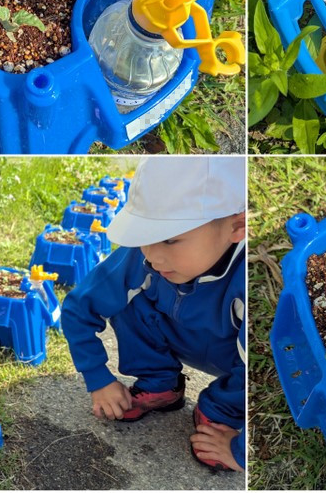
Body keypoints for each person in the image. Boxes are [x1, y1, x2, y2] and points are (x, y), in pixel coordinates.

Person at [61, 156, 247, 471]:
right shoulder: (143, 258)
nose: (154, 256)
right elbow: (78, 307)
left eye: (171, 239)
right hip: (177, 332)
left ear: (237, 226)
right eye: (145, 236)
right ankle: (160, 383)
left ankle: (222, 410)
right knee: (127, 296)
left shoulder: (246, 278)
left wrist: (240, 452)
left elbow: (272, 368)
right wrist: (98, 378)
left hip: (235, 358)